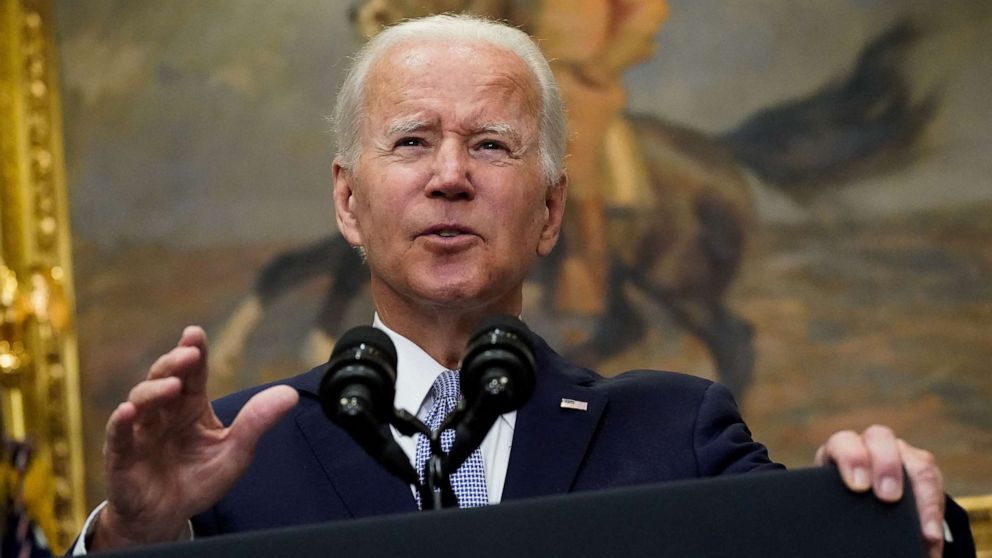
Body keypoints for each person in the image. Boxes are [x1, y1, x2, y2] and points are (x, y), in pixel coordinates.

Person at [75, 14, 954, 556]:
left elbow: (840, 542)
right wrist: (133, 539)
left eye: (491, 144)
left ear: (549, 210)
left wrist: (901, 503)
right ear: (349, 200)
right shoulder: (234, 456)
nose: (450, 176)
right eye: (413, 141)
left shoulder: (676, 434)